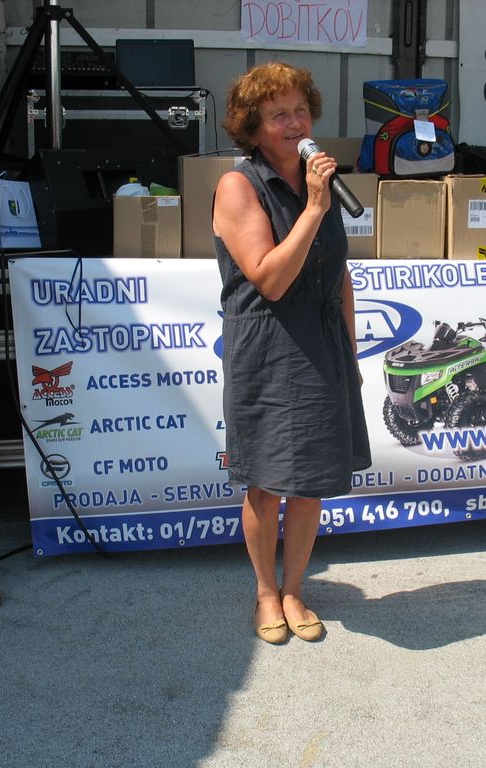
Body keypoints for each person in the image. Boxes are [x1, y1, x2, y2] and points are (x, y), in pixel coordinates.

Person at [213, 62, 371, 644]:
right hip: (269, 346)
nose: (295, 123)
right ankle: (264, 592)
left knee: (310, 484)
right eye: (278, 114)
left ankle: (296, 588)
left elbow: (339, 275)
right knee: (267, 484)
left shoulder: (316, 183)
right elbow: (271, 279)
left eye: (301, 110)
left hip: (323, 343)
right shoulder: (239, 187)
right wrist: (314, 208)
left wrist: (350, 354)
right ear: (252, 127)